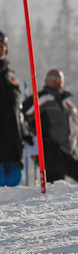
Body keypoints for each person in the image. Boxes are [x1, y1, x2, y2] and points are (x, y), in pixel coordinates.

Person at [23, 69, 78, 184]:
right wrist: (27, 135)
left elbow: (75, 125)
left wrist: (77, 137)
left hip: (65, 149)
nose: (57, 81)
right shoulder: (42, 99)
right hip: (47, 147)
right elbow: (22, 114)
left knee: (57, 181)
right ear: (46, 80)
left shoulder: (67, 104)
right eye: (53, 79)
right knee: (75, 168)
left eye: (60, 79)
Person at [0, 31, 30, 186]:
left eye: (2, 46)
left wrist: (24, 133)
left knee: (13, 187)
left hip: (12, 144)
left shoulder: (11, 78)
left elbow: (17, 111)